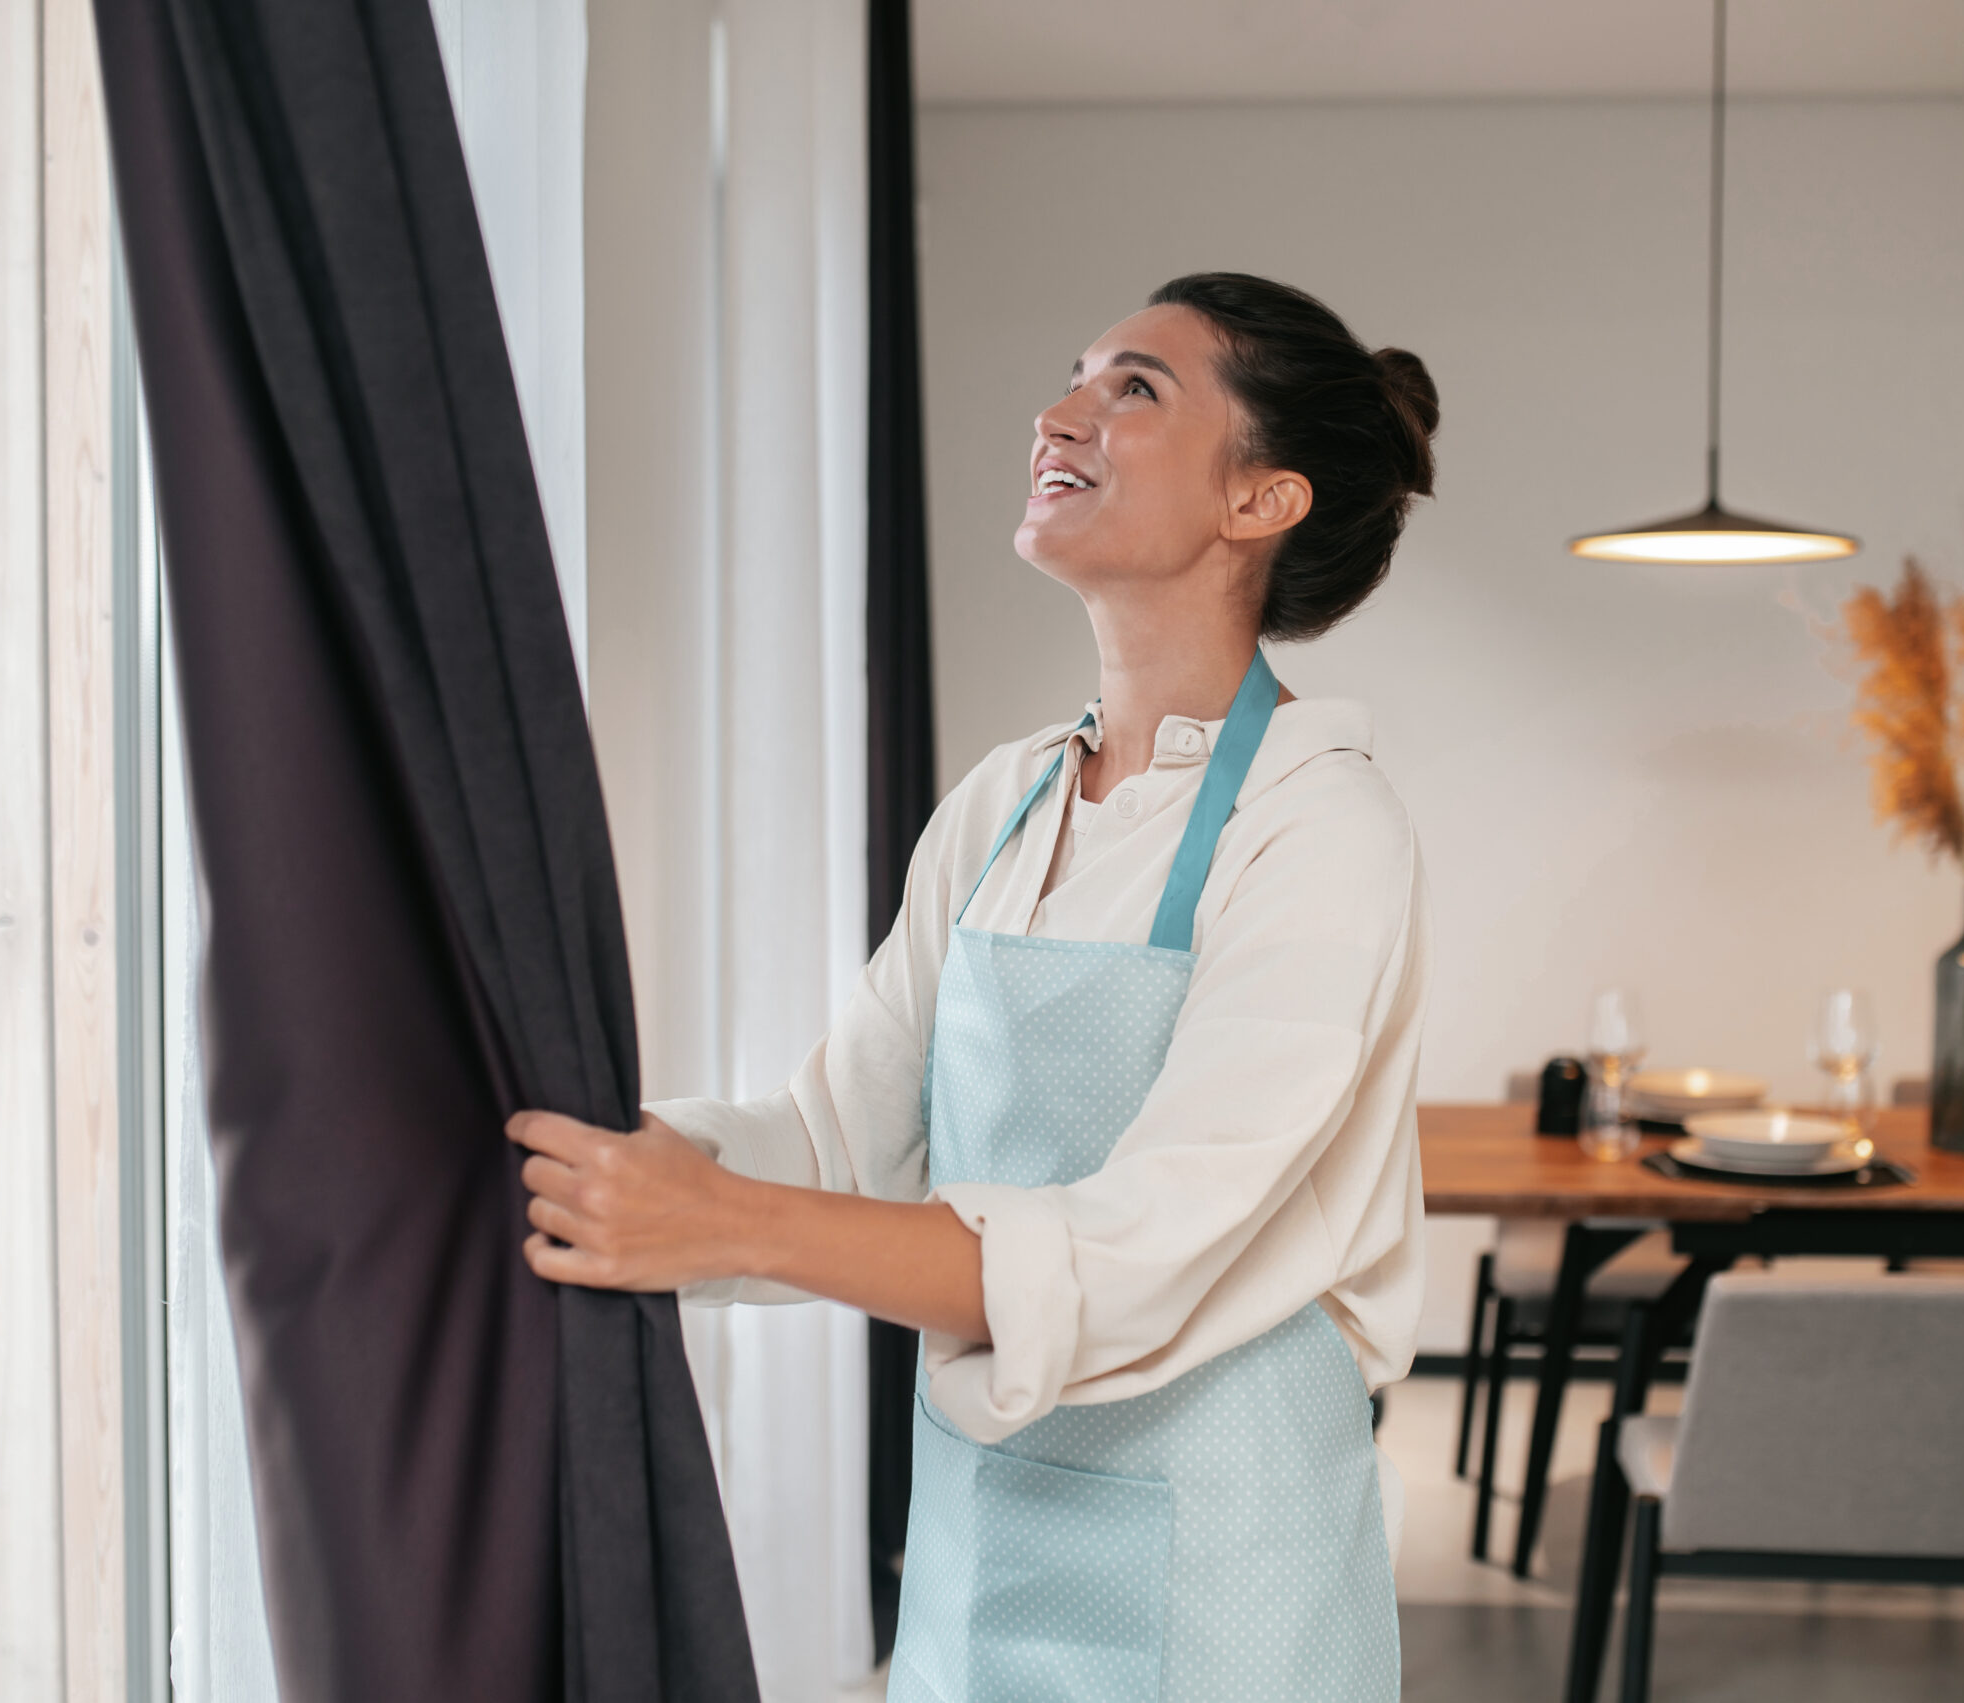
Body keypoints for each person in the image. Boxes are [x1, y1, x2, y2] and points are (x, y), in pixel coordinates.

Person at [512, 272, 1437, 1702]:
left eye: (1136, 387)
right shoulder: (1007, 804)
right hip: (980, 1548)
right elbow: (837, 1144)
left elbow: (1136, 1250)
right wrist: (611, 1161)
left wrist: (721, 1221)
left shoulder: (1320, 829)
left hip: (1226, 1587)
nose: (1059, 413)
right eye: (1077, 373)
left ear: (1263, 501)